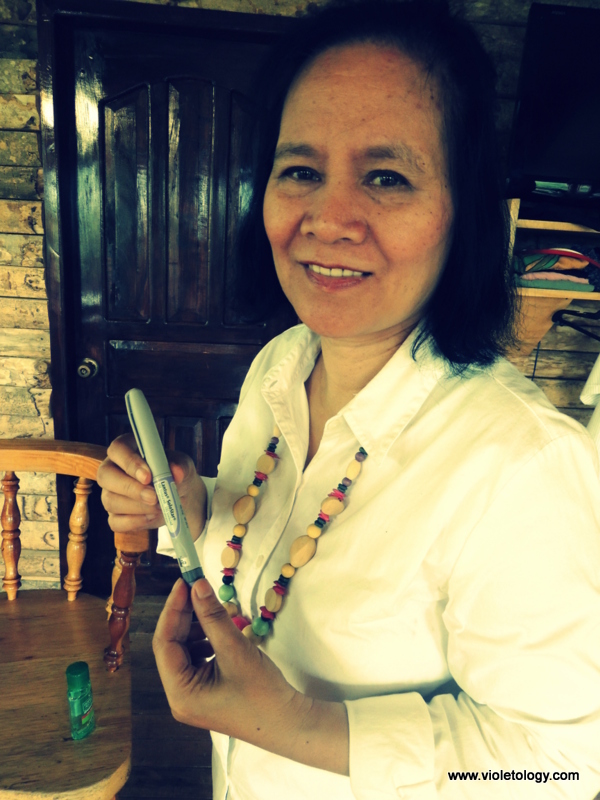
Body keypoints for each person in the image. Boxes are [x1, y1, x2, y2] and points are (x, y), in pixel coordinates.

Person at [97, 1, 600, 798]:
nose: (328, 219)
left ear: (463, 210)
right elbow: (270, 535)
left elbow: (565, 767)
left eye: (387, 177)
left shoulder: (523, 467)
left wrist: (299, 726)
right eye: (300, 170)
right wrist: (190, 511)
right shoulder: (281, 365)